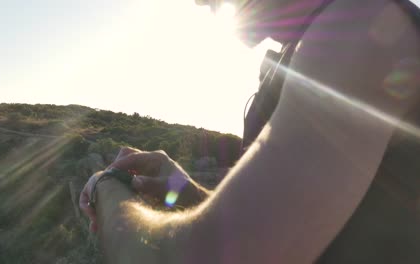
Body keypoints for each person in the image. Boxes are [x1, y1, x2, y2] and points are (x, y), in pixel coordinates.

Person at [80, 0, 420, 263]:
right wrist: (180, 187)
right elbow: (278, 229)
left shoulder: (362, 30)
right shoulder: (297, 56)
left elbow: (206, 257)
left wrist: (106, 188)